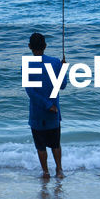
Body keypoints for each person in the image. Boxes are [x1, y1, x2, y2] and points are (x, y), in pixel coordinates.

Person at [24, 31, 66, 178]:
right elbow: (63, 85)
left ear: (30, 46)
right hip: (53, 113)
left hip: (37, 114)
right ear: (45, 46)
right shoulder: (55, 62)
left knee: (41, 146)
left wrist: (46, 105)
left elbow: (30, 91)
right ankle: (59, 170)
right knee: (55, 144)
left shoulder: (27, 65)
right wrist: (63, 69)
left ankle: (46, 172)